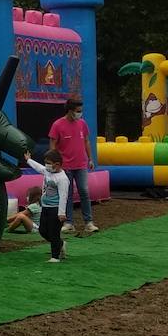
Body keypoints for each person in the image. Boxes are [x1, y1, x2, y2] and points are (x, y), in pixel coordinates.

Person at [49, 98, 97, 235]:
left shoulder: (82, 123)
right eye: (77, 111)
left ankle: (89, 222)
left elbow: (86, 141)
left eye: (81, 111)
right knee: (67, 194)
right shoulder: (57, 125)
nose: (79, 113)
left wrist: (90, 159)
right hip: (65, 166)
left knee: (84, 191)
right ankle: (68, 222)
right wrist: (54, 163)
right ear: (70, 111)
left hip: (81, 164)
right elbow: (52, 145)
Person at [23, 149, 70, 262]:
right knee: (43, 230)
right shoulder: (48, 171)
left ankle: (55, 256)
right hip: (45, 207)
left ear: (57, 164)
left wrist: (61, 213)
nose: (46, 165)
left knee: (54, 232)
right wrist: (28, 160)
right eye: (46, 162)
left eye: (48, 163)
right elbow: (38, 167)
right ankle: (60, 244)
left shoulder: (62, 179)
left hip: (56, 209)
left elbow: (63, 196)